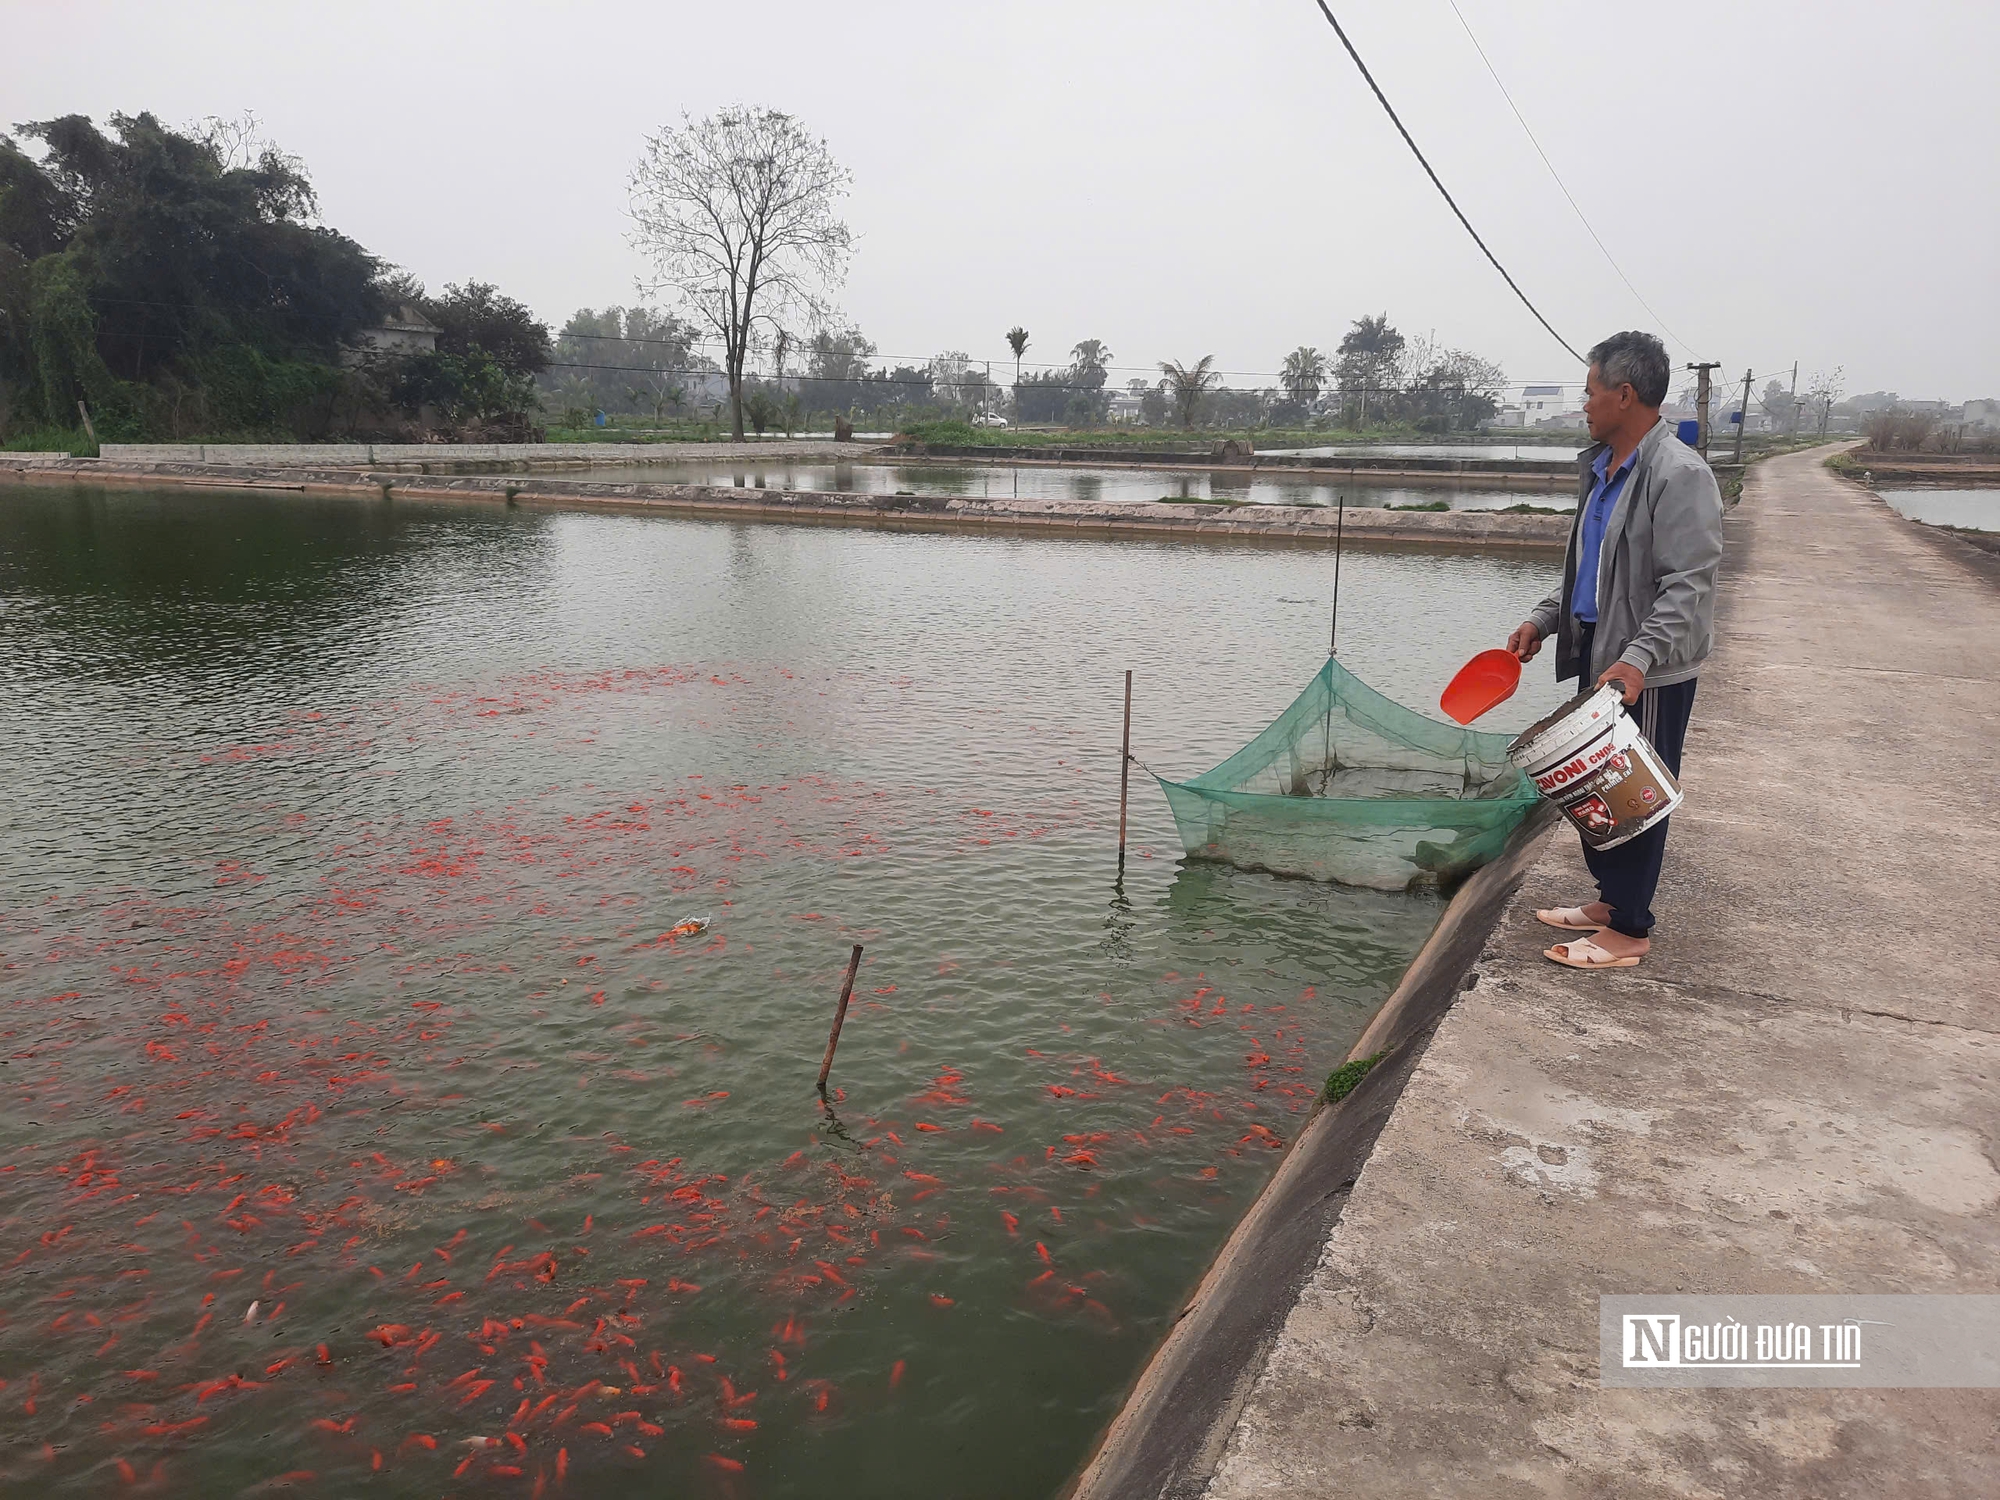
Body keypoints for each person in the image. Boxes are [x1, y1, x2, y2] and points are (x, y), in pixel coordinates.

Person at [1505, 331, 1724, 970]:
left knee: (1635, 798)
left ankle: (1629, 930)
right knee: (1595, 788)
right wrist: (1544, 620)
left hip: (1644, 674)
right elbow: (1588, 571)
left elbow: (1688, 585)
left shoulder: (1678, 475)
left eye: (1591, 391)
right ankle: (1609, 900)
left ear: (1624, 395)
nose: (1585, 405)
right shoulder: (1602, 472)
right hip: (1603, 664)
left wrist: (1639, 659)